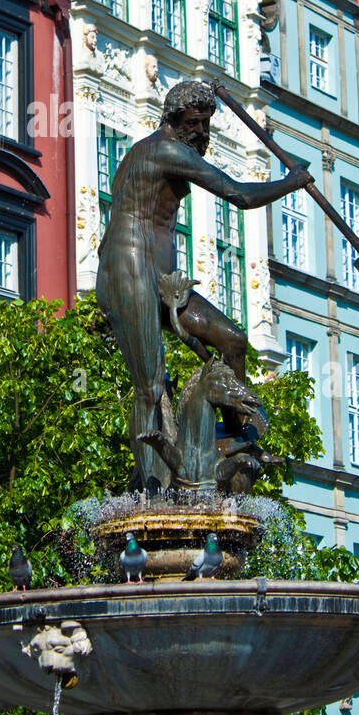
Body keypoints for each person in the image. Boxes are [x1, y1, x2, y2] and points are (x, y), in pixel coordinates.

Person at [96, 80, 312, 486]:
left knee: (233, 341)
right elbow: (239, 195)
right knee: (150, 387)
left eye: (208, 124)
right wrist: (291, 181)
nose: (203, 133)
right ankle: (150, 491)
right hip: (129, 271)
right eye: (196, 123)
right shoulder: (164, 150)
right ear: (174, 120)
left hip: (159, 280)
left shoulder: (157, 152)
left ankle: (233, 438)